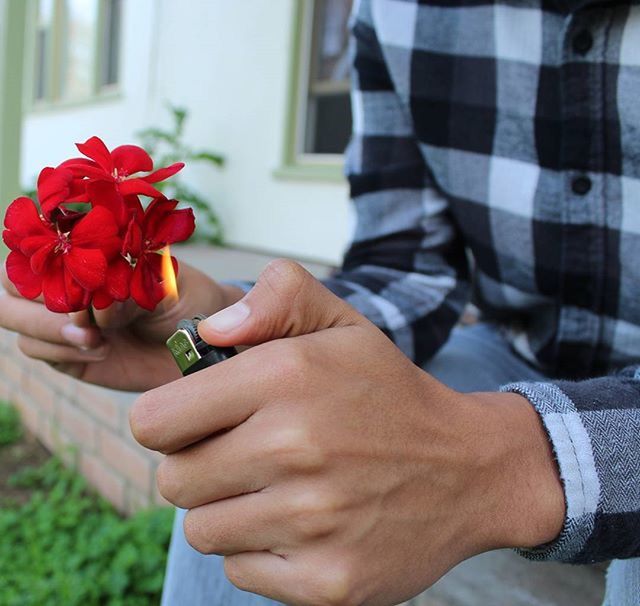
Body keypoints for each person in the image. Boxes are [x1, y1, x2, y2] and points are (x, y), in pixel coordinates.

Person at [1, 0, 639, 604]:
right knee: (263, 431)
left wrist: (507, 461)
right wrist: (232, 321)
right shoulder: (400, 10)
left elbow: (505, 459)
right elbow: (408, 268)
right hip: (514, 347)